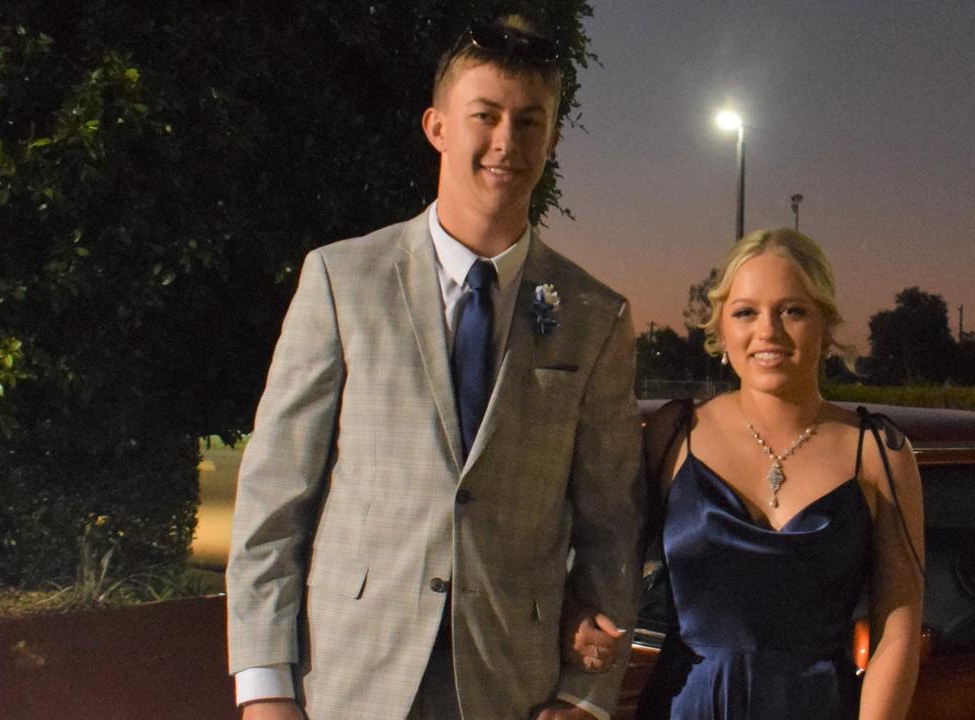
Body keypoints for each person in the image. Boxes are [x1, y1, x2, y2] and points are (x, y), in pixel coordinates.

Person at [225, 16, 643, 720]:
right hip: (352, 676)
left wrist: (588, 696)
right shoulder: (342, 280)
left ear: (553, 138)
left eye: (530, 121)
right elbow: (274, 500)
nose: (507, 141)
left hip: (513, 685)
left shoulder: (594, 315)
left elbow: (611, 520)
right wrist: (265, 689)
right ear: (438, 126)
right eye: (486, 115)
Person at [568, 228, 924, 718]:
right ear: (721, 329)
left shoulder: (879, 454)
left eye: (792, 310)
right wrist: (579, 615)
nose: (768, 331)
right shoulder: (673, 434)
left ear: (824, 322)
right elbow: (604, 559)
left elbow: (897, 632)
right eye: (746, 312)